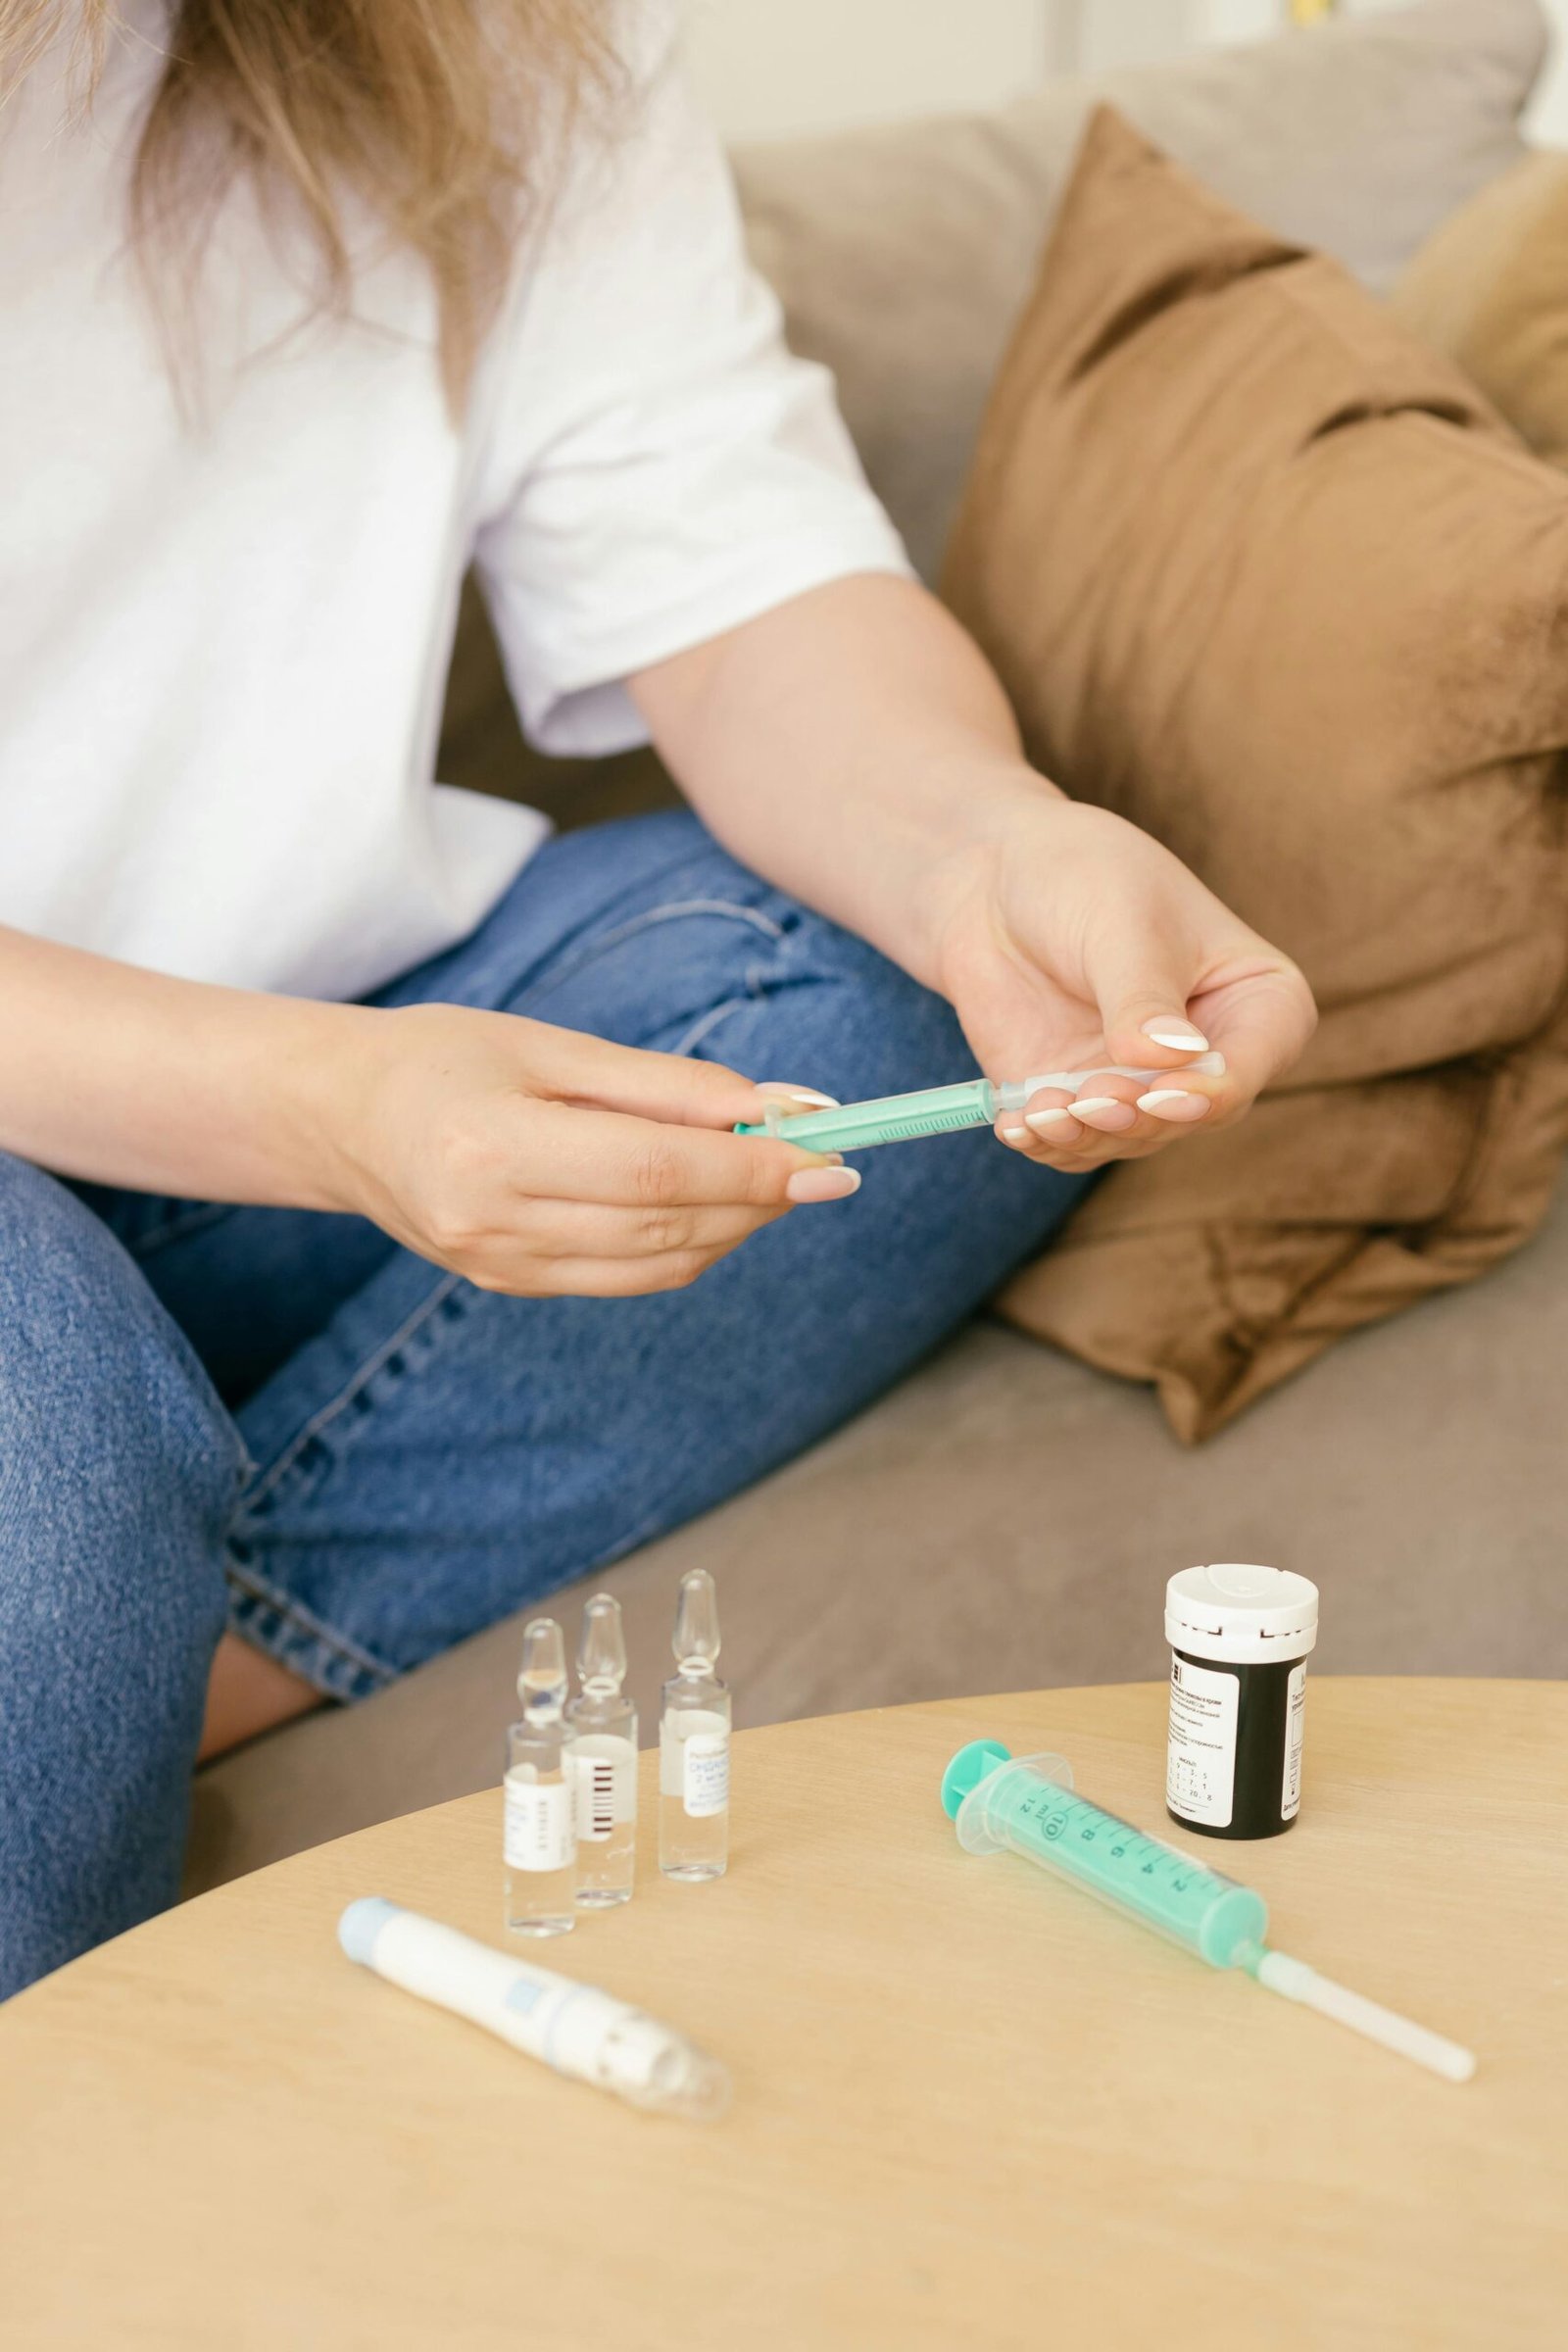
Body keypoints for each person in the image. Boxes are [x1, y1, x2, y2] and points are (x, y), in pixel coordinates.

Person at [0, 0, 1315, 1999]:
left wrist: (982, 852)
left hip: (329, 1084)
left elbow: (732, 574)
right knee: (61, 1431)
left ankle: (142, 1653)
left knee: (900, 1004)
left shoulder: (497, 42)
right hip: (213, 1125)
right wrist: (319, 1105)